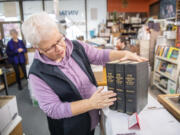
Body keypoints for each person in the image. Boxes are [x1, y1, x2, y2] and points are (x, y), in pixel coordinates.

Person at [22, 12, 147, 135]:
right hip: (70, 129)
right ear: (37, 48)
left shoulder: (77, 47)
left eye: (59, 40)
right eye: (50, 47)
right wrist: (90, 103)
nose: (60, 49)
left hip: (91, 121)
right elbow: (53, 109)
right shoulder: (37, 74)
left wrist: (125, 54)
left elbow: (100, 55)